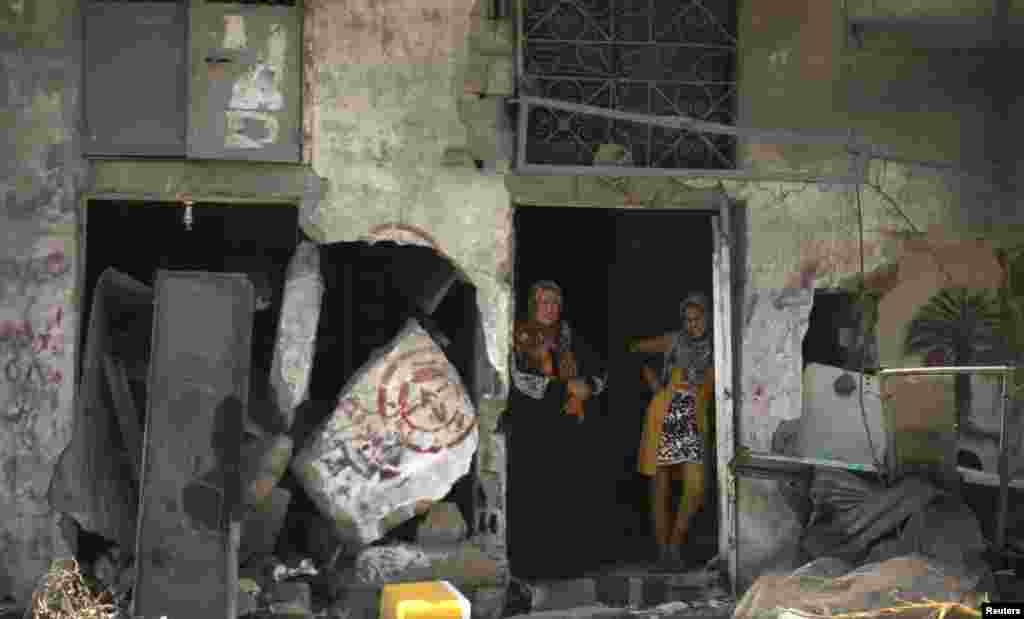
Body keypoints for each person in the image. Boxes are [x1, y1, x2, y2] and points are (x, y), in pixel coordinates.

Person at [507, 280, 607, 578]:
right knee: (537, 498)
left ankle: (568, 564)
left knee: (568, 497)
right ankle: (534, 567)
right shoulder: (522, 336)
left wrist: (588, 387)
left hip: (570, 428)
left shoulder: (569, 336)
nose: (550, 308)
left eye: (555, 302)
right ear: (533, 305)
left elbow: (600, 370)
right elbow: (520, 379)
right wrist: (565, 389)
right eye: (544, 302)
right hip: (535, 430)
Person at [628, 292, 714, 567]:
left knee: (696, 487)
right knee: (660, 485)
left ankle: (675, 544)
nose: (692, 324)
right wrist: (653, 383)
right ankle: (663, 552)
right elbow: (633, 349)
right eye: (687, 319)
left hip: (693, 415)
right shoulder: (674, 340)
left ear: (708, 316)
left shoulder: (719, 343)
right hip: (665, 411)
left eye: (697, 318)